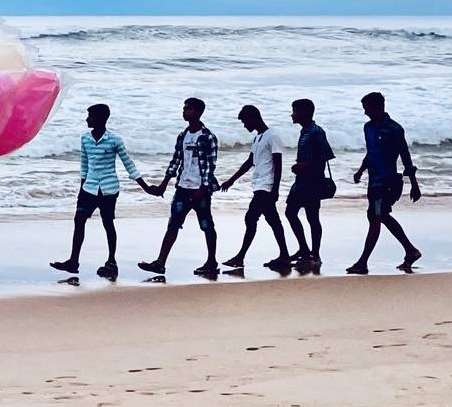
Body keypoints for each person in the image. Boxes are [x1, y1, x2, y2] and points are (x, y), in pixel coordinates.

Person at [51, 103, 146, 280]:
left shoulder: (114, 139)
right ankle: (73, 261)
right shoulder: (85, 138)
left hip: (109, 189)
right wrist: (81, 187)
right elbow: (84, 164)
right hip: (89, 188)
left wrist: (144, 185)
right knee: (79, 220)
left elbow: (128, 163)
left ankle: (111, 261)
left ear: (101, 118)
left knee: (108, 223)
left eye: (90, 116)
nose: (87, 119)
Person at [137, 98, 219, 279]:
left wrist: (204, 187)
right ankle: (160, 263)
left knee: (206, 225)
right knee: (173, 224)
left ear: (198, 112)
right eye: (184, 108)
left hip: (200, 189)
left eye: (188, 109)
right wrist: (164, 184)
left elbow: (210, 165)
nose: (184, 111)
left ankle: (211, 262)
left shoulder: (208, 136)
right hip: (182, 187)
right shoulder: (183, 136)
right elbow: (175, 161)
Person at [348, 92, 422, 274]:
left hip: (388, 183)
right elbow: (371, 152)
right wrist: (360, 170)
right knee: (380, 216)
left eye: (367, 108)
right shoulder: (368, 127)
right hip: (373, 182)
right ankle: (411, 251)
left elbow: (405, 156)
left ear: (378, 107)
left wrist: (414, 184)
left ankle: (363, 262)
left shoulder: (394, 129)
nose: (365, 112)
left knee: (375, 217)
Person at [219, 105, 292, 274]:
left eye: (245, 121)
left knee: (251, 218)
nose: (245, 125)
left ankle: (240, 257)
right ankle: (284, 256)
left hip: (266, 186)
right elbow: (249, 162)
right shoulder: (257, 138)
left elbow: (278, 163)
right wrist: (231, 180)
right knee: (273, 221)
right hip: (258, 184)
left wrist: (275, 189)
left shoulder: (272, 136)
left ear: (253, 118)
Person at [285, 98, 334, 270]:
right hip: (301, 182)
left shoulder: (316, 131)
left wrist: (304, 165)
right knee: (290, 213)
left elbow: (325, 155)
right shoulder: (305, 131)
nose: (292, 115)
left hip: (313, 181)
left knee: (312, 218)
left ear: (305, 113)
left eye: (295, 111)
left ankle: (315, 254)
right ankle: (304, 250)